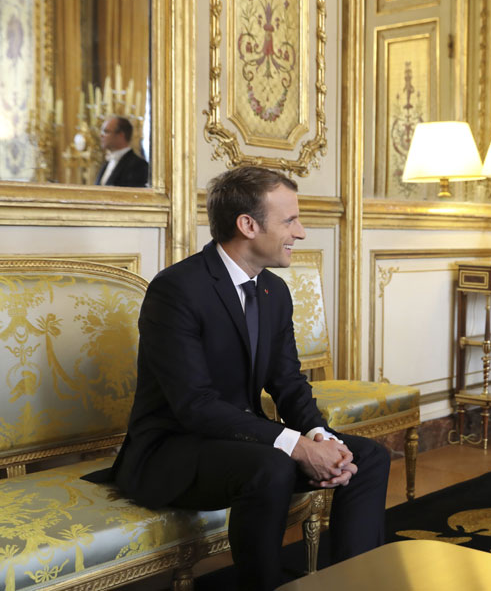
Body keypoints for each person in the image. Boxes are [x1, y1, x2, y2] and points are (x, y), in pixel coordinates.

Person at [107, 166, 390, 590]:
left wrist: (321, 437)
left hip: (242, 444)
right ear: (248, 225)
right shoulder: (177, 290)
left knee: (367, 457)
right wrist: (295, 445)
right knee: (272, 467)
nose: (302, 232)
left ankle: (354, 583)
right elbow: (195, 406)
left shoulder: (274, 291)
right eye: (290, 220)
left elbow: (289, 383)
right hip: (175, 450)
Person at [96, 115, 149, 187]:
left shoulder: (139, 165)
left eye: (106, 132)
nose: (101, 136)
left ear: (121, 135)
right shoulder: (107, 162)